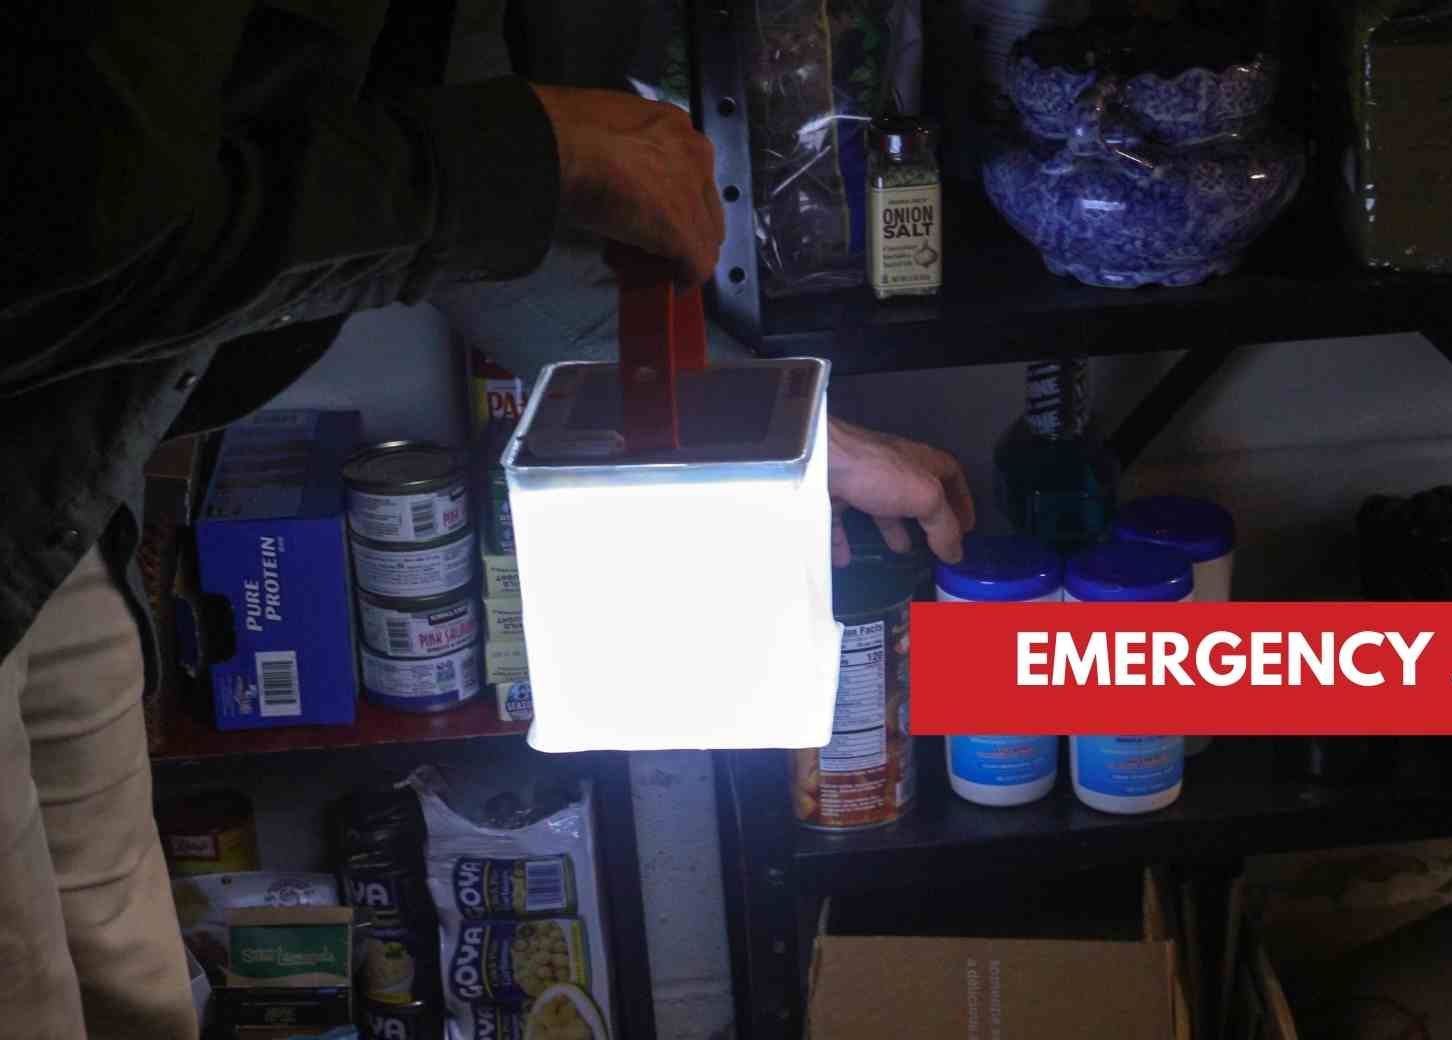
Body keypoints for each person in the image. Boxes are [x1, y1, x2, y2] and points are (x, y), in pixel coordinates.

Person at [1, 6, 973, 1036]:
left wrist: (784, 429)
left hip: (54, 490)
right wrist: (538, 149)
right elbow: (61, 215)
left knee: (130, 981)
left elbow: (463, 208)